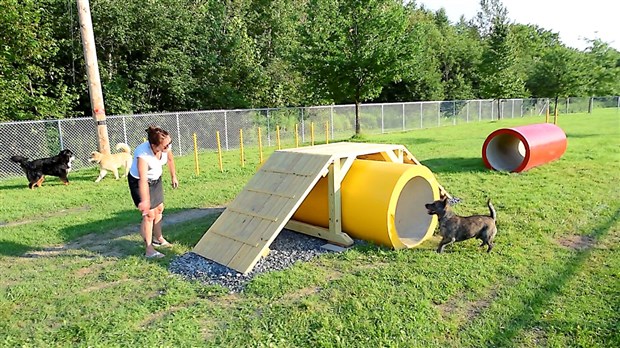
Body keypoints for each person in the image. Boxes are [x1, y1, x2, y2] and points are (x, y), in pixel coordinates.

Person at [128, 126, 179, 258]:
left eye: (169, 143)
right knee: (149, 215)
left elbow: (170, 159)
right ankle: (149, 249)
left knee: (159, 208)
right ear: (154, 145)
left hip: (156, 179)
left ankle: (159, 238)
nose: (169, 147)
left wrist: (173, 176)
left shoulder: (166, 146)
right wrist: (145, 201)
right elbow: (143, 180)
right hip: (139, 183)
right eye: (166, 145)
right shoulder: (142, 155)